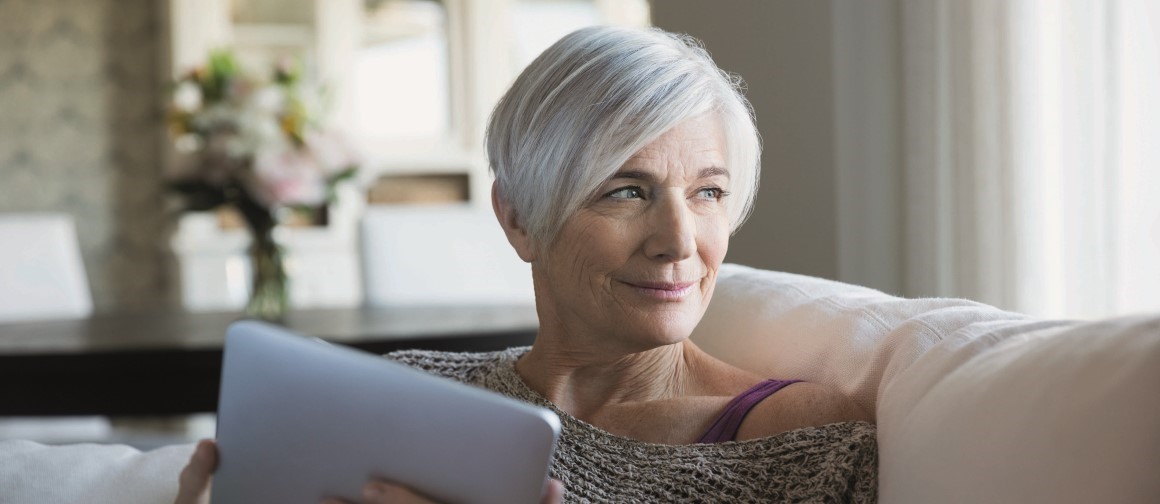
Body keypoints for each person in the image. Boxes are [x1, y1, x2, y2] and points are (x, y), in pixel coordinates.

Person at [176, 26, 877, 503]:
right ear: (518, 218)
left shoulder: (802, 437)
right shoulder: (406, 394)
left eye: (708, 193)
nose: (678, 240)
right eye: (627, 191)